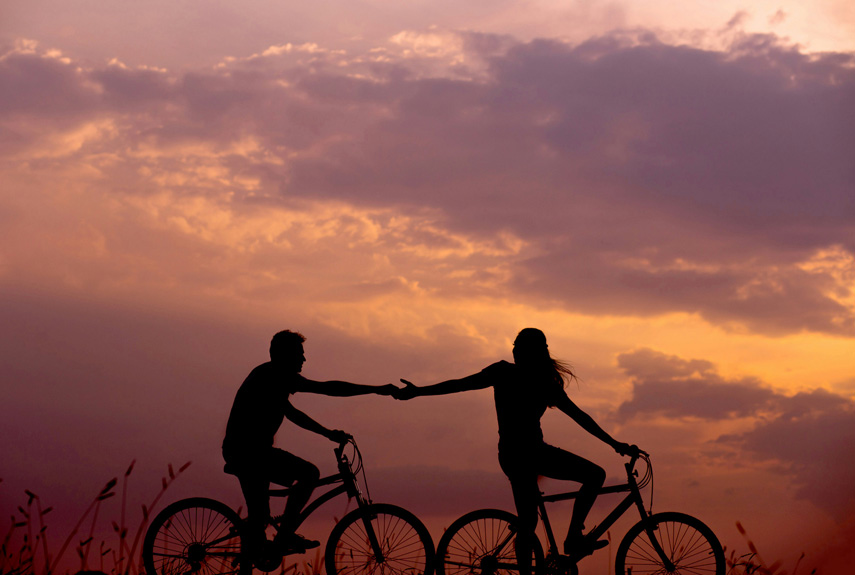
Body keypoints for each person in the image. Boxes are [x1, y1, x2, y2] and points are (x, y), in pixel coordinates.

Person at [394, 327, 638, 566]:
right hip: (529, 454)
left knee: (529, 520)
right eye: (515, 345)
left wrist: (615, 444)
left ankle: (560, 545)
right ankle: (573, 536)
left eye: (518, 345)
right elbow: (459, 384)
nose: (514, 349)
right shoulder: (524, 378)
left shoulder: (525, 378)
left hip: (516, 455)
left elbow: (580, 417)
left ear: (530, 351)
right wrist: (616, 444)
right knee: (593, 476)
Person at [223, 330, 397, 554]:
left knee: (260, 520)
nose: (303, 359)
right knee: (309, 474)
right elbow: (326, 389)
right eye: (299, 354)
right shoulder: (273, 376)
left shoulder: (271, 377)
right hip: (248, 454)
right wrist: (376, 390)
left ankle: (265, 545)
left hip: (251, 453)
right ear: (286, 355)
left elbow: (292, 412)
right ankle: (284, 537)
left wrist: (327, 432)